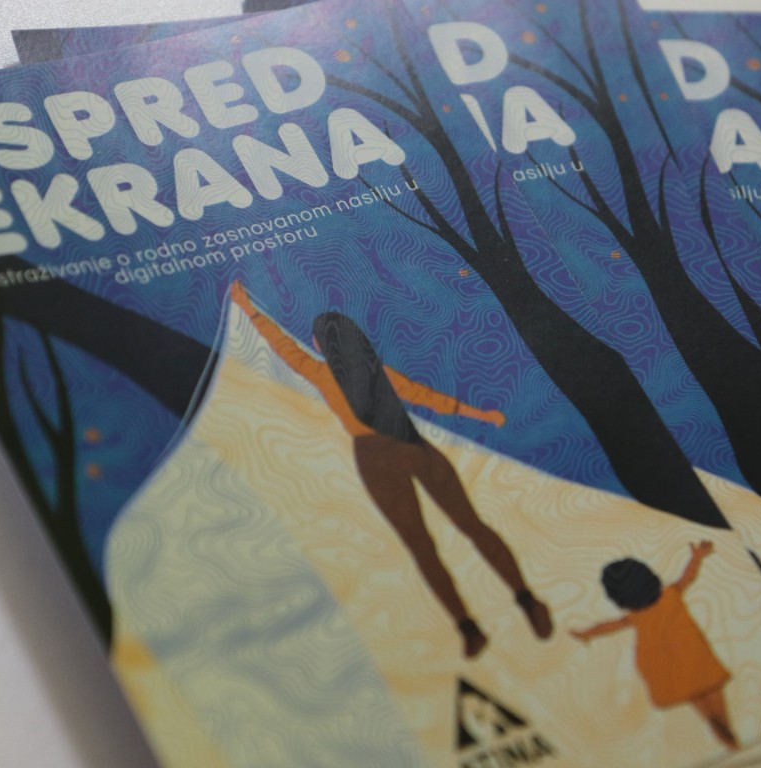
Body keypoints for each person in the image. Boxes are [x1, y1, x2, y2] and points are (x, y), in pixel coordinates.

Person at [230, 280, 552, 659]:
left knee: (421, 546)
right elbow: (425, 396)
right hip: (413, 447)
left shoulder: (321, 373)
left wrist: (248, 309)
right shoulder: (378, 373)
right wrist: (479, 414)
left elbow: (283, 347)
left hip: (377, 461)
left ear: (323, 344)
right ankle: (525, 599)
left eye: (316, 339)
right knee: (470, 525)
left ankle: (469, 627)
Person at [571, 542, 737, 751]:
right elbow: (688, 576)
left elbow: (610, 625)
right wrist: (697, 557)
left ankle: (720, 731)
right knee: (712, 691)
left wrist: (587, 633)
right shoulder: (670, 594)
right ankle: (728, 733)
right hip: (691, 650)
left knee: (698, 700)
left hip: (662, 660)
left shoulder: (636, 615)